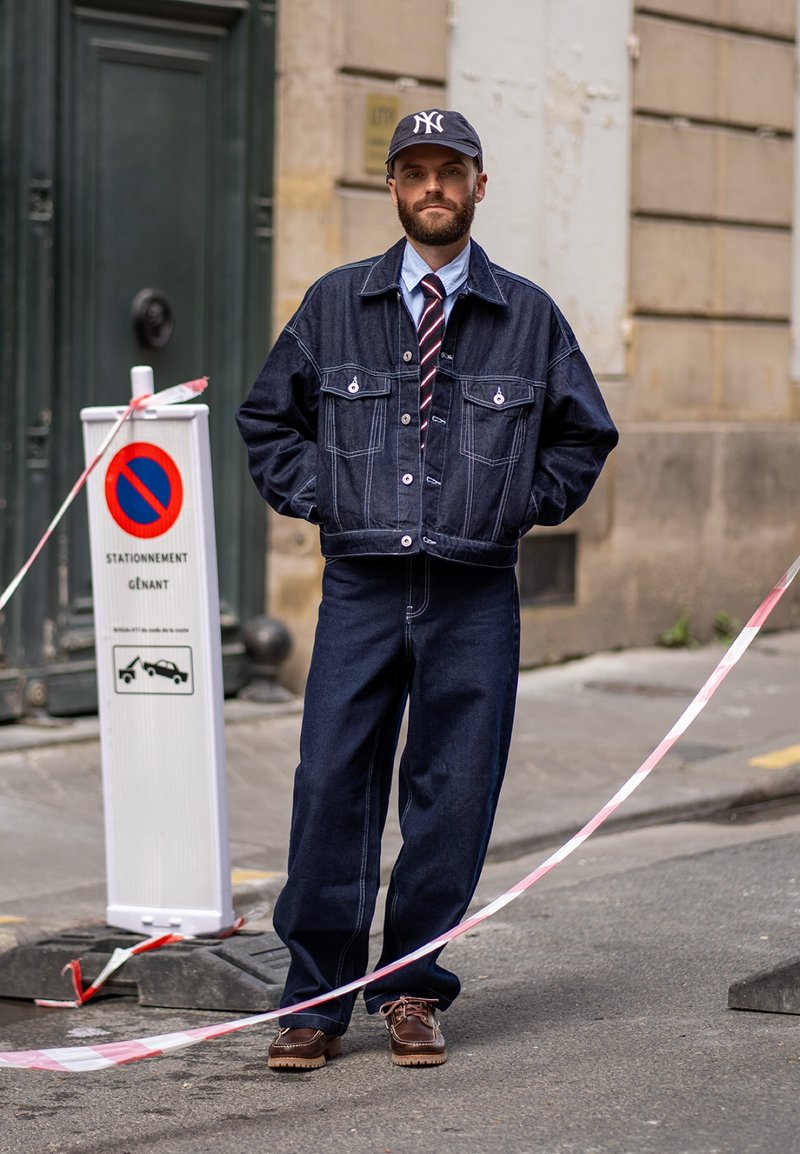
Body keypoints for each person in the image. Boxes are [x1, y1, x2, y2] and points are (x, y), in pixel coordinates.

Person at [236, 108, 618, 1070]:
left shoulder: (527, 315)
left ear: (479, 185)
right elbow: (266, 421)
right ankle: (315, 1001)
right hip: (361, 586)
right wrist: (329, 496)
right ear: (395, 187)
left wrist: (519, 505)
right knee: (331, 783)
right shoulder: (335, 304)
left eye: (452, 171)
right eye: (416, 171)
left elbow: (584, 434)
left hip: (474, 590)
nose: (434, 187)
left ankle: (412, 987)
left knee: (453, 795)